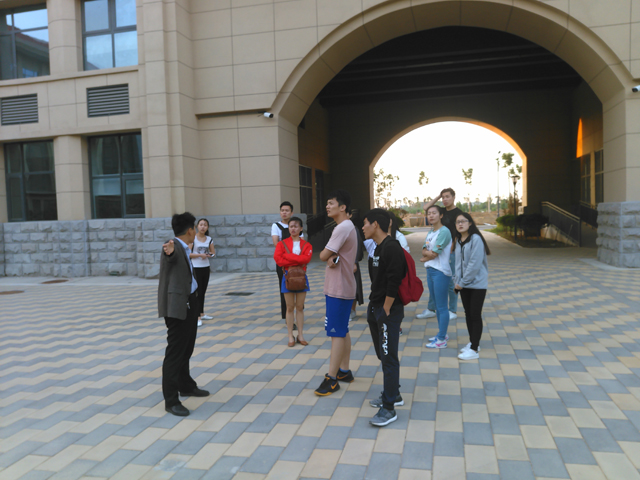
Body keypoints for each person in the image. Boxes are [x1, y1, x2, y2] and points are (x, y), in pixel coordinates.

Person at [158, 212, 210, 417]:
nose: (196, 231)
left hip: (190, 303)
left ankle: (186, 385)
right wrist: (169, 252)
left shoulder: (185, 247)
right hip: (178, 307)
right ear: (190, 230)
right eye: (194, 228)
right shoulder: (173, 246)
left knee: (186, 348)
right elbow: (170, 256)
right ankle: (171, 400)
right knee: (175, 352)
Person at [362, 208, 407, 427]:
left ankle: (389, 408)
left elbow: (394, 280)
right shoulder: (378, 247)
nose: (362, 227)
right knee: (383, 354)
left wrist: (386, 309)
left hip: (388, 310)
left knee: (389, 357)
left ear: (375, 225)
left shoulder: (392, 248)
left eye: (365, 223)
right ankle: (393, 393)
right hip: (376, 307)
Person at [315, 190, 358, 396]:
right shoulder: (347, 226)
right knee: (342, 329)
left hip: (339, 288)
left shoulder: (342, 227)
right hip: (342, 286)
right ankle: (344, 371)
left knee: (336, 332)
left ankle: (331, 379)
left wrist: (328, 255)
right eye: (327, 203)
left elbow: (323, 254)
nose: (327, 206)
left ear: (342, 207)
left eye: (331, 203)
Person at [418, 188, 462, 320]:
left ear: (454, 197)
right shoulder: (439, 211)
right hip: (437, 249)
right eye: (443, 197)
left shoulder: (458, 213)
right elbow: (426, 208)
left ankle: (452, 310)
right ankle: (432, 309)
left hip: (450, 251)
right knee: (434, 281)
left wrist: (453, 244)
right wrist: (438, 196)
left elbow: (460, 230)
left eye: (447, 196)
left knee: (451, 282)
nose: (445, 199)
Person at [453, 212, 491, 360]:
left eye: (463, 221)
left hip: (477, 285)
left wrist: (461, 283)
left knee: (475, 315)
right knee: (468, 314)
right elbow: (458, 264)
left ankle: (474, 350)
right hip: (463, 284)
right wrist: (457, 281)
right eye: (458, 222)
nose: (460, 224)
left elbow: (474, 265)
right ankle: (474, 342)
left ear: (470, 223)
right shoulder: (458, 240)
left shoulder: (476, 239)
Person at [274, 217, 312, 347]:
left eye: (296, 226)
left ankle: (300, 335)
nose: (293, 229)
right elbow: (278, 260)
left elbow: (306, 259)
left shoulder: (307, 245)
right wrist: (297, 259)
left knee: (300, 307)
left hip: (301, 278)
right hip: (287, 277)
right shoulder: (281, 244)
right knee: (289, 307)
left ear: (301, 228)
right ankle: (290, 335)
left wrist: (288, 257)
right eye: (291, 226)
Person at [422, 205, 453, 349]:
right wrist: (427, 255)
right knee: (437, 305)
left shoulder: (444, 231)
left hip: (440, 271)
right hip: (430, 270)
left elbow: (434, 253)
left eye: (434, 213)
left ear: (441, 215)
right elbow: (424, 249)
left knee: (441, 306)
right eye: (429, 213)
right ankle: (442, 334)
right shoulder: (431, 232)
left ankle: (441, 339)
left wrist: (426, 256)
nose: (431, 215)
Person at [271, 201, 302, 329]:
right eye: (282, 210)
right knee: (285, 289)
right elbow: (276, 244)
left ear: (292, 212)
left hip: (297, 263)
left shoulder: (296, 225)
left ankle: (299, 314)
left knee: (299, 286)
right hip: (283, 263)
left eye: (287, 210)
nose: (284, 212)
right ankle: (288, 317)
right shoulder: (276, 226)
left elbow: (302, 243)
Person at [189, 218, 215, 327]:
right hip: (196, 267)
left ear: (207, 227)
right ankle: (197, 316)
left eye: (205, 225)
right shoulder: (193, 239)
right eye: (201, 225)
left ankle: (202, 313)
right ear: (197, 226)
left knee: (203, 291)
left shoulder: (209, 239)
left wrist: (209, 255)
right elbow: (189, 254)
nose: (203, 227)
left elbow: (213, 252)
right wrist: (200, 255)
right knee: (197, 292)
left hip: (205, 267)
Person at [350, 213, 365, 321]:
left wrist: (355, 261)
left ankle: (352, 311)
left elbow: (358, 245)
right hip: (341, 264)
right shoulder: (337, 228)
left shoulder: (353, 229)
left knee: (353, 288)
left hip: (351, 263)